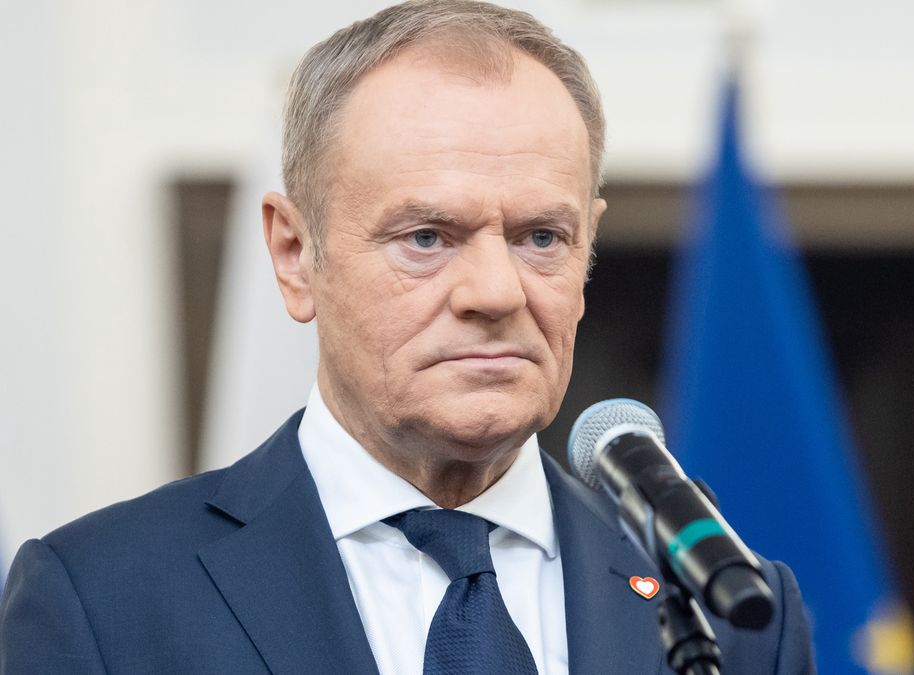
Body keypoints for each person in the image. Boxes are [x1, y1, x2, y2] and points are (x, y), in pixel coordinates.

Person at [0, 2, 814, 673]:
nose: (495, 292)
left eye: (541, 237)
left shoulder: (733, 610)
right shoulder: (102, 599)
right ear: (295, 254)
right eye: (426, 236)